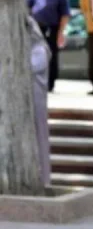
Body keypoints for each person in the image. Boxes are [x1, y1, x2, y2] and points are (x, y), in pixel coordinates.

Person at [27, 0, 70, 92]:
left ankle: (50, 83)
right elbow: (28, 4)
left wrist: (61, 33)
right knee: (33, 53)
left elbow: (65, 15)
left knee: (50, 56)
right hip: (35, 27)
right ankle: (32, 81)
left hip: (52, 28)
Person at [28, 17, 52, 185]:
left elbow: (31, 68)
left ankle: (43, 179)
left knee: (39, 138)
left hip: (36, 102)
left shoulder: (40, 50)